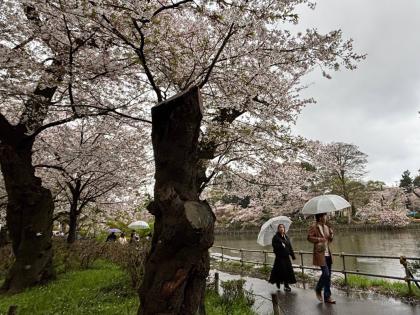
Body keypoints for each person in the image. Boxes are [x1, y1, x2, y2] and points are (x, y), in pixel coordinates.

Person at [307, 213, 336, 304]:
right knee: (326, 274)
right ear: (320, 217)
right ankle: (318, 288)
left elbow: (329, 241)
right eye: (325, 216)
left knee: (328, 276)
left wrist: (331, 235)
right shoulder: (314, 226)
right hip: (320, 254)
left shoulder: (327, 227)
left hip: (328, 254)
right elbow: (309, 238)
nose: (326, 218)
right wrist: (319, 239)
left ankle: (327, 296)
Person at [269, 223, 296, 292]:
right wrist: (281, 245)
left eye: (283, 227)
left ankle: (286, 285)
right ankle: (281, 283)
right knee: (282, 271)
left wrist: (292, 255)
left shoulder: (286, 237)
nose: (282, 228)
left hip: (286, 257)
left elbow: (289, 247)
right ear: (278, 229)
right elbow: (274, 247)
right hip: (279, 257)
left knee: (287, 270)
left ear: (284, 229)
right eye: (280, 227)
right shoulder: (275, 237)